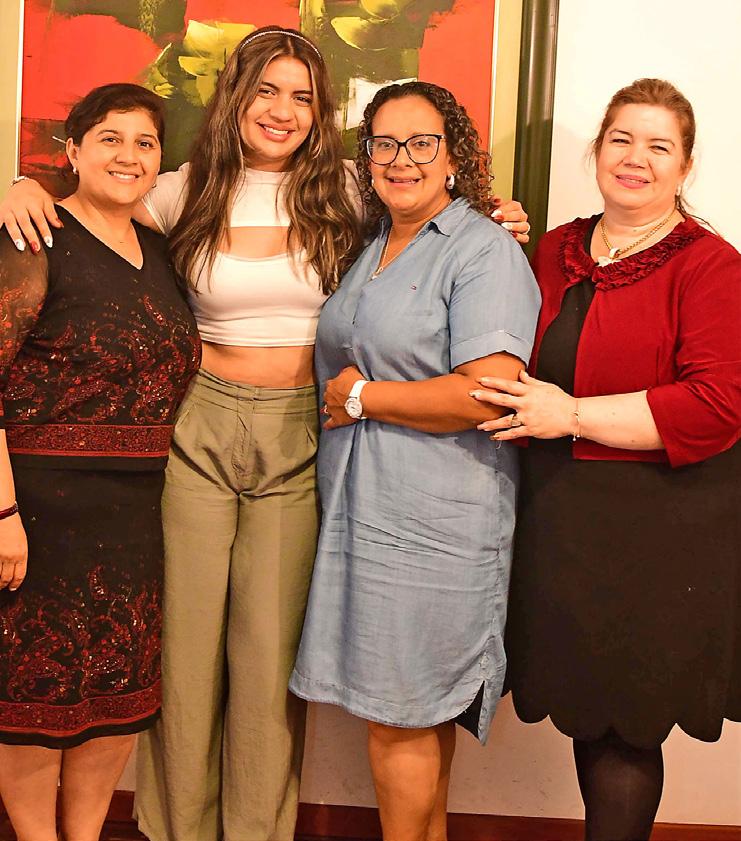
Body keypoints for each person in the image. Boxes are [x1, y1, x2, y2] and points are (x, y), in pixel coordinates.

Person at [0, 27, 531, 841]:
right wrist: (18, 186)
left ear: (321, 112)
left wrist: (500, 213)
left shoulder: (351, 185)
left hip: (303, 430)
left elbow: (435, 212)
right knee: (182, 651)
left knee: (267, 655)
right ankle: (175, 829)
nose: (281, 110)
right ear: (234, 97)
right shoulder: (182, 188)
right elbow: (94, 199)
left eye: (302, 96)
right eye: (265, 91)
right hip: (198, 426)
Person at [471, 78, 741, 841]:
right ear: (597, 149)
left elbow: (716, 404)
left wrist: (570, 414)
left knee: (627, 727)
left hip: (660, 533)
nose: (634, 158)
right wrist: (485, 237)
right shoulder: (554, 249)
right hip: (564, 523)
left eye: (658, 146)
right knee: (592, 713)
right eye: (620, 138)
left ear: (684, 166)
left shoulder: (711, 266)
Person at [288, 80, 540, 841]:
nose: (402, 159)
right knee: (412, 715)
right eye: (385, 144)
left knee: (400, 717)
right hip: (366, 506)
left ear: (453, 156)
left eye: (422, 142)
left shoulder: (482, 248)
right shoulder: (373, 244)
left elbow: (487, 394)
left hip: (435, 521)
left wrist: (364, 397)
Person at [0, 83, 200, 841]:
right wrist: (2, 513)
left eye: (144, 142)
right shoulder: (31, 238)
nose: (128, 155)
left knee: (119, 696)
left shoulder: (161, 251)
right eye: (109, 138)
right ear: (74, 151)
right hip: (36, 512)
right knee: (31, 701)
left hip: (135, 514)